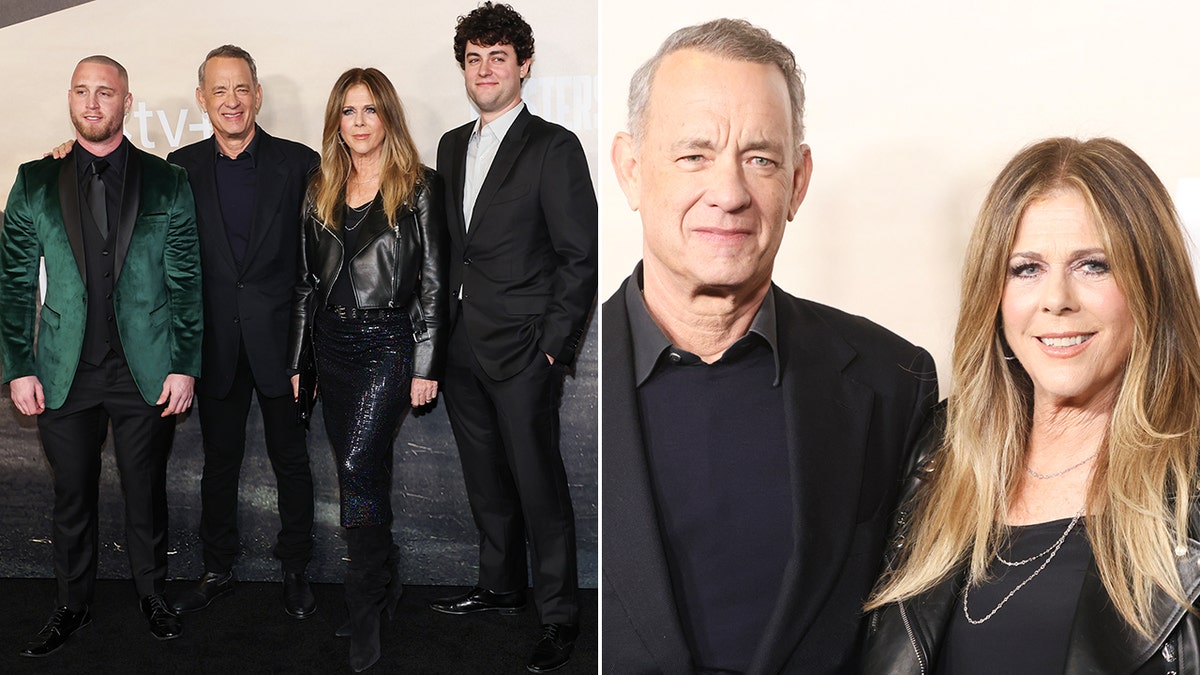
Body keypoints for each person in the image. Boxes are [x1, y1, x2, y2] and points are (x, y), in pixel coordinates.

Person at [603, 19, 938, 673]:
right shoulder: (562, 377)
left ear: (799, 181)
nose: (728, 194)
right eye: (694, 154)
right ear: (631, 169)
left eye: (760, 158)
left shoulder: (894, 382)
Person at [863, 137, 1200, 673]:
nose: (1057, 298)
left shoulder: (1190, 486)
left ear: (1151, 285)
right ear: (993, 296)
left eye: (1094, 265)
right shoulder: (937, 456)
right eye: (1026, 269)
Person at [0, 55, 202, 655]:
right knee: (72, 495)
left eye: (106, 93)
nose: (93, 103)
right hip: (64, 371)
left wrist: (184, 361)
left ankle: (151, 595)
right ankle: (72, 605)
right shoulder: (35, 180)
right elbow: (13, 282)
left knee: (145, 491)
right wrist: (19, 367)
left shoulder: (167, 181)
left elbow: (185, 280)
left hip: (144, 368)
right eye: (83, 92)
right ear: (69, 99)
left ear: (126, 102)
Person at [430, 3, 598, 673]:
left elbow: (577, 256)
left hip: (526, 348)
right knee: (485, 480)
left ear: (524, 66)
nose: (485, 69)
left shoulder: (554, 146)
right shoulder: (448, 146)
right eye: (474, 58)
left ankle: (559, 616)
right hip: (461, 343)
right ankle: (500, 587)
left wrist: (554, 346)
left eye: (498, 56)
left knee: (538, 485)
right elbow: (450, 250)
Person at [287, 67, 447, 673]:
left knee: (355, 466)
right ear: (337, 121)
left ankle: (364, 606)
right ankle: (385, 584)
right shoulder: (318, 187)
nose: (358, 122)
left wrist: (426, 362)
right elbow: (306, 285)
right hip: (331, 347)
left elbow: (434, 283)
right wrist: (300, 361)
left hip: (389, 345)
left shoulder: (418, 186)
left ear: (387, 118)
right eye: (348, 111)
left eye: (369, 110)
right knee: (363, 472)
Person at [166, 44, 320, 620]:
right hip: (216, 348)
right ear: (202, 99)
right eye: (219, 90)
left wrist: (307, 351)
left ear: (258, 94)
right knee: (219, 463)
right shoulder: (176, 169)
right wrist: (63, 156)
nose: (231, 101)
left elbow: (319, 262)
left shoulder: (302, 164)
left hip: (284, 347)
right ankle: (217, 569)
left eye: (241, 89)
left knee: (292, 462)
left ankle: (297, 569)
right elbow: (116, 180)